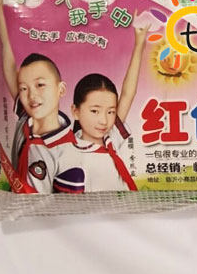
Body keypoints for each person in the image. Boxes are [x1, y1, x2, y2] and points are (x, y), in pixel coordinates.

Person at [0, 0, 75, 193]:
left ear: (61, 90)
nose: (31, 95)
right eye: (24, 88)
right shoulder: (25, 118)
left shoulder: (69, 149)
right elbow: (9, 65)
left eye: (40, 85)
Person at [52, 21, 149, 193]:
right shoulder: (67, 152)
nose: (104, 120)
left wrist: (139, 43)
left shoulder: (112, 138)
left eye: (110, 112)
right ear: (75, 111)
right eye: (94, 111)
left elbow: (128, 94)